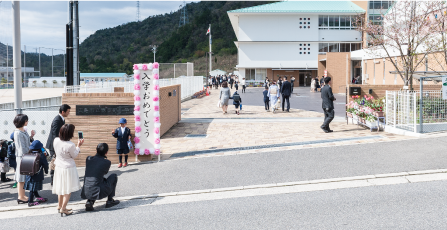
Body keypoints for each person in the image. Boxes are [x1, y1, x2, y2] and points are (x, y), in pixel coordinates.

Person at [52, 124, 83, 216]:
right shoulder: (71, 145)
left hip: (58, 167)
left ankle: (59, 206)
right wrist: (78, 146)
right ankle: (64, 208)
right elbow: (74, 155)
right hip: (68, 168)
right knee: (67, 189)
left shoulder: (56, 140)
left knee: (61, 187)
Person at [81, 143, 120, 212]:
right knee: (113, 176)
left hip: (85, 191)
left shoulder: (88, 159)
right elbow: (104, 172)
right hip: (99, 191)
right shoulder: (107, 162)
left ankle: (90, 201)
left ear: (96, 150)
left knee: (95, 181)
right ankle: (110, 201)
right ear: (106, 152)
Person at [46, 104, 70, 186]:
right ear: (63, 112)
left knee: (58, 162)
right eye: (68, 111)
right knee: (54, 162)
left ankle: (56, 180)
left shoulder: (61, 119)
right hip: (54, 145)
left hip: (57, 144)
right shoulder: (57, 120)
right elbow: (55, 134)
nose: (69, 113)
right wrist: (57, 146)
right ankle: (53, 181)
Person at [14, 114, 35, 205]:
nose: (27, 122)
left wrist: (31, 136)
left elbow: (26, 143)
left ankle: (22, 195)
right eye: (26, 120)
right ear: (22, 121)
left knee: (23, 177)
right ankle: (21, 196)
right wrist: (30, 152)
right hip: (22, 157)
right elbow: (22, 148)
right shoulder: (18, 132)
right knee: (21, 178)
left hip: (25, 156)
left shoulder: (22, 130)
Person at [24, 140, 49, 207]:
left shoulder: (28, 154)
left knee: (33, 187)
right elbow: (45, 164)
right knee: (32, 189)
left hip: (28, 175)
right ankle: (30, 202)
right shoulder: (41, 155)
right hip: (37, 175)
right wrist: (46, 171)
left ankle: (37, 196)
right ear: (39, 148)